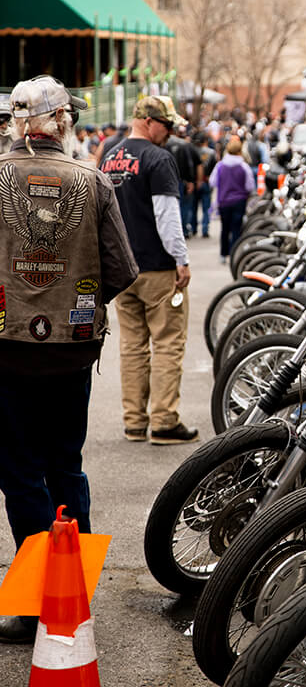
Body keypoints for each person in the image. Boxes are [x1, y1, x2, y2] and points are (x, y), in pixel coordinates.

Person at [0, 76, 138, 642]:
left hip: (6, 351)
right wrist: (73, 304)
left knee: (19, 471)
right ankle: (69, 593)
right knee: (65, 464)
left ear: (16, 122)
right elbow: (122, 270)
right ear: (61, 123)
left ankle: (36, 601)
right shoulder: (93, 180)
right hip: (71, 353)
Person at [100, 96, 198, 445]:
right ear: (147, 120)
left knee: (132, 346)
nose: (169, 133)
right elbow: (168, 216)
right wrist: (181, 260)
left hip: (121, 269)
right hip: (157, 268)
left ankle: (134, 421)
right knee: (169, 344)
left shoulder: (110, 157)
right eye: (166, 125)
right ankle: (164, 421)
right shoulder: (158, 159)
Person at [209, 135, 256, 261]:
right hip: (239, 201)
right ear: (240, 151)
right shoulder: (244, 167)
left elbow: (212, 182)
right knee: (236, 228)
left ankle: (223, 254)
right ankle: (234, 252)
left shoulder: (220, 166)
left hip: (224, 201)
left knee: (225, 228)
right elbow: (250, 186)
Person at [167, 126, 203, 238]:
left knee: (171, 207)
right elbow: (191, 164)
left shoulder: (163, 144)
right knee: (183, 206)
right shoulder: (185, 145)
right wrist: (191, 181)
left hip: (168, 180)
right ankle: (183, 230)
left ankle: (175, 231)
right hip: (181, 181)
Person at [192, 132, 216, 238]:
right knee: (206, 208)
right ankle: (205, 229)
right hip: (206, 181)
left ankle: (193, 228)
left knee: (193, 207)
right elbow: (214, 167)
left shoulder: (193, 151)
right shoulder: (211, 152)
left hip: (195, 181)